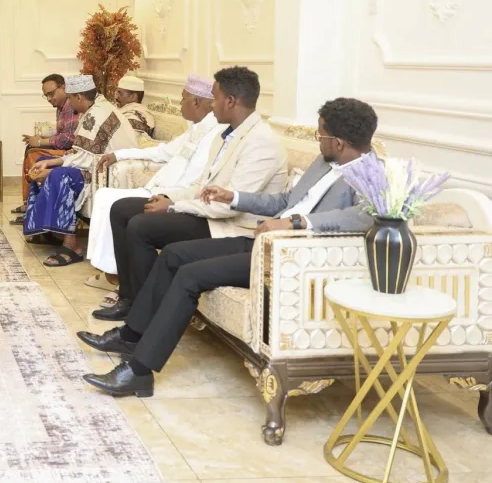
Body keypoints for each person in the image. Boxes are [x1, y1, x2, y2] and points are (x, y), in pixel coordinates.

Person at [81, 97, 378, 397]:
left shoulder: (371, 175)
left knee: (189, 275)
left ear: (339, 142)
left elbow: (363, 216)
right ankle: (131, 335)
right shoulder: (325, 162)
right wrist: (233, 197)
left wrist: (295, 223)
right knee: (173, 254)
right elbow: (284, 201)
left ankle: (139, 372)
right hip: (260, 243)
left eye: (320, 135)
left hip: (289, 259)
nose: (318, 141)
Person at [93, 66, 287, 322]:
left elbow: (228, 206)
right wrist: (171, 198)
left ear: (231, 101)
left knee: (141, 225)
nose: (212, 105)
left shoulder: (261, 142)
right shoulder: (225, 136)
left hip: (229, 227)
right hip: (208, 213)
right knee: (121, 209)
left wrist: (173, 207)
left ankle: (146, 309)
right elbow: (201, 186)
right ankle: (130, 298)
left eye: (215, 98)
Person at [84, 75, 223, 294]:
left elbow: (205, 184)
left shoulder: (219, 135)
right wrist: (119, 154)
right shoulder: (195, 131)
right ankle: (110, 270)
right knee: (104, 196)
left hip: (173, 197)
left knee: (116, 206)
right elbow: (162, 152)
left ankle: (115, 275)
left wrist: (172, 199)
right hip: (157, 189)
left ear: (196, 102)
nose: (180, 103)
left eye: (183, 98)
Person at [20, 74, 138, 267]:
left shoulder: (96, 115)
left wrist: (51, 170)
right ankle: (49, 230)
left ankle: (71, 246)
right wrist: (49, 163)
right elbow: (82, 153)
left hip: (108, 170)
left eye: (70, 98)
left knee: (60, 176)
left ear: (79, 97)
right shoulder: (94, 108)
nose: (69, 103)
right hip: (94, 164)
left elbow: (86, 159)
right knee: (43, 161)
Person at [12, 74, 79, 215]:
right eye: (46, 95)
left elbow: (68, 139)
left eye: (51, 94)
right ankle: (29, 202)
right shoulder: (61, 106)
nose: (49, 99)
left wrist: (39, 142)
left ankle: (33, 203)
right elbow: (62, 133)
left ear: (63, 87)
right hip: (65, 148)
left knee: (33, 152)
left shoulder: (70, 105)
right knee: (31, 148)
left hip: (71, 152)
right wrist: (41, 138)